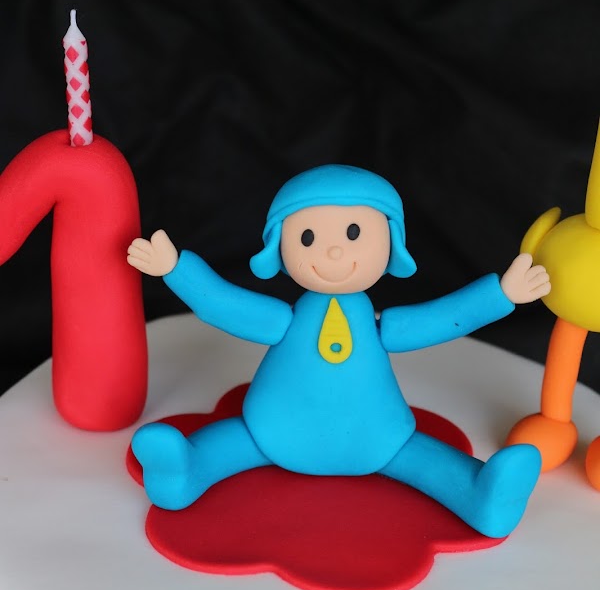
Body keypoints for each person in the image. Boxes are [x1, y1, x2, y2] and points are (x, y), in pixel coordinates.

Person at [127, 164, 550, 538]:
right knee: (238, 440)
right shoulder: (285, 319)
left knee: (417, 456)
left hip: (375, 435)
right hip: (275, 429)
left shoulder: (378, 325)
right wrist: (175, 270)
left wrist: (502, 294)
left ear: (391, 243)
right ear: (279, 247)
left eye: (353, 233)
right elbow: (226, 305)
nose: (333, 251)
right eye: (308, 237)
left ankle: (480, 495)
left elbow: (442, 319)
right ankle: (185, 470)